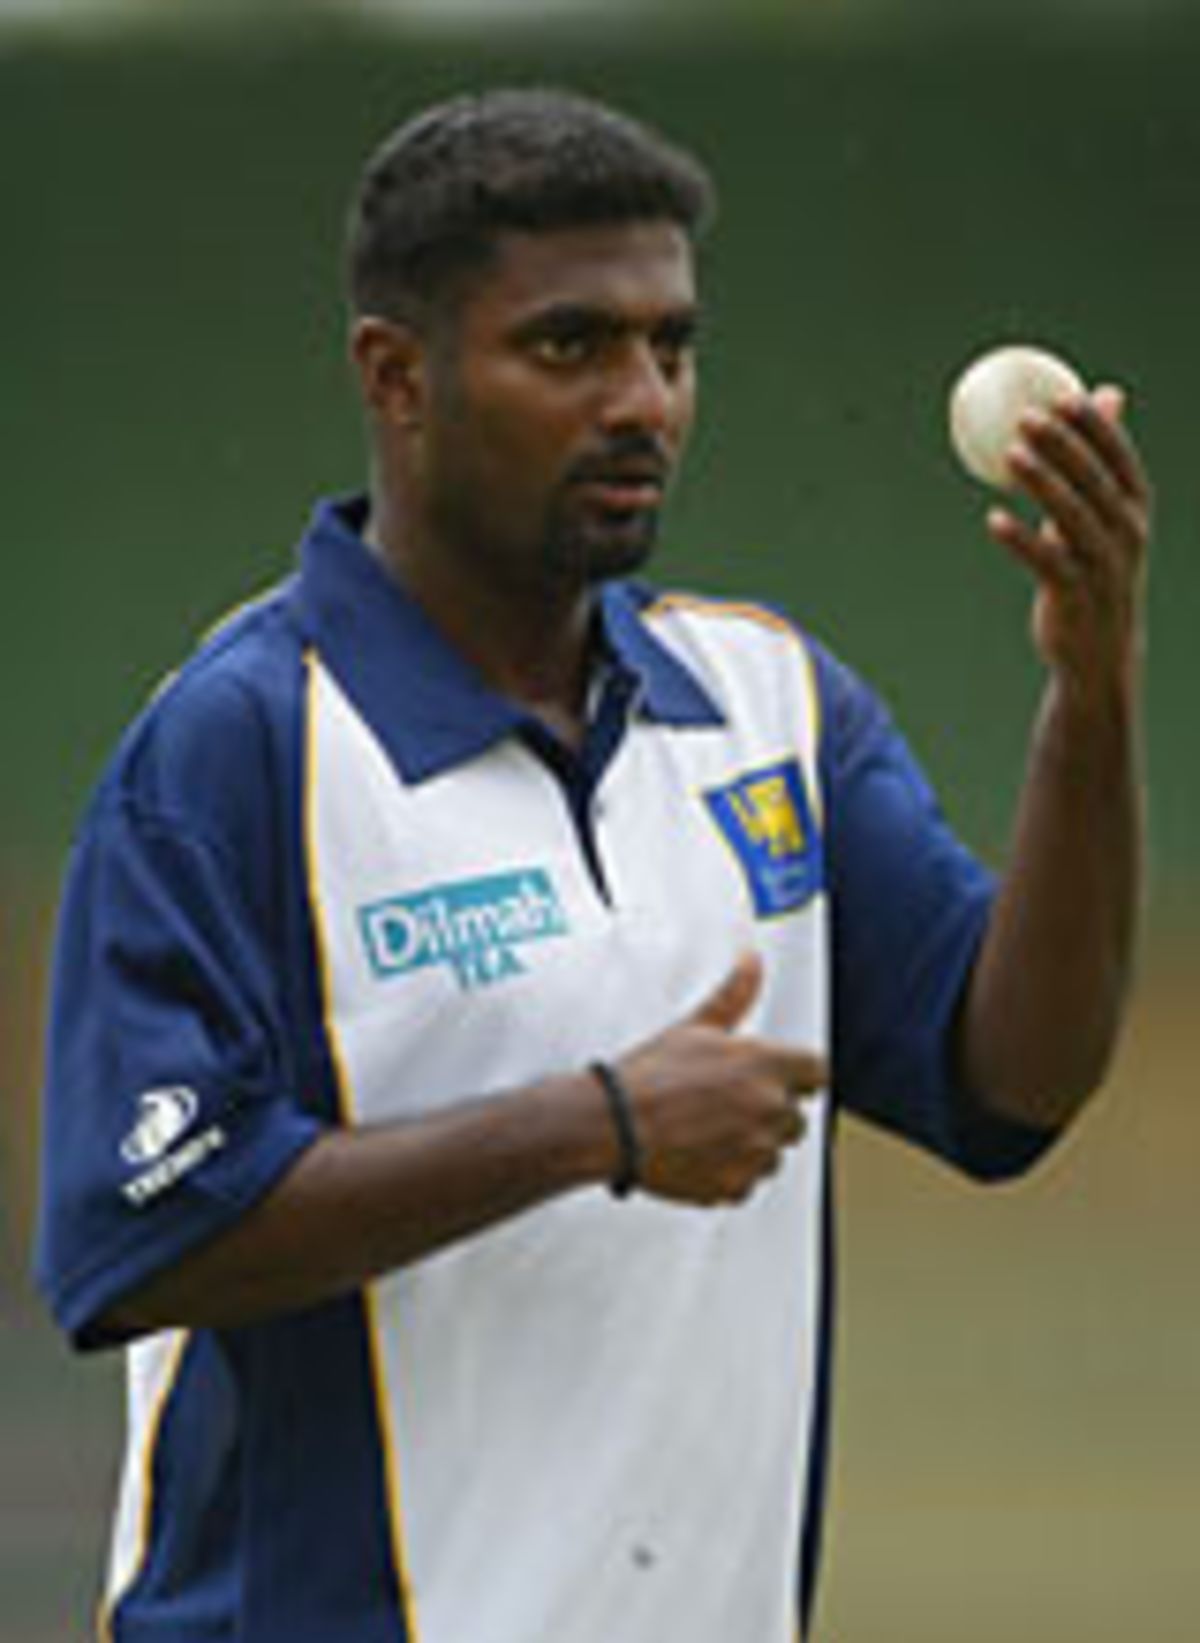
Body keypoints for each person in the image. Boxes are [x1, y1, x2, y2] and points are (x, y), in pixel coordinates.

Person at [35, 88, 1151, 1643]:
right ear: (396, 376)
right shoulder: (238, 749)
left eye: (671, 348)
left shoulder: (771, 707)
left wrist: (1088, 703)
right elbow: (139, 1230)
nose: (643, 401)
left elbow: (1016, 1084)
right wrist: (599, 1125)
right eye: (570, 348)